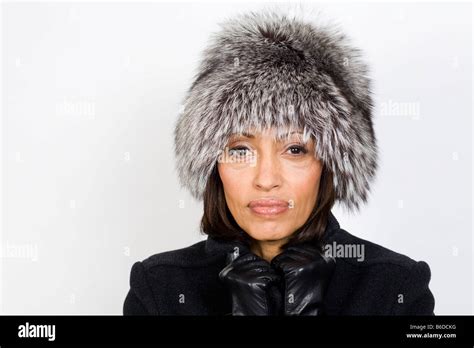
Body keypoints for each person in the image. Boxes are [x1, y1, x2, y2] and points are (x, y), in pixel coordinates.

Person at [123, 9, 435, 316]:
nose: (267, 179)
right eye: (241, 150)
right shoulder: (158, 289)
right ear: (212, 163)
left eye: (295, 149)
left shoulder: (396, 288)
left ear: (328, 163)